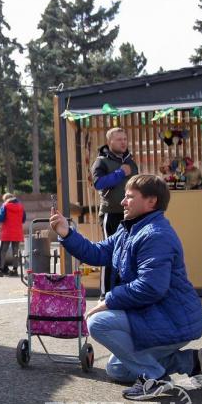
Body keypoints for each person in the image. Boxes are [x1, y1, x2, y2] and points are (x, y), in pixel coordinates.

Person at [49, 174, 202, 400]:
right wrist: (66, 233)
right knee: (118, 369)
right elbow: (97, 253)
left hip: (172, 320)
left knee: (98, 322)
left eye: (129, 197)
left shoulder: (156, 235)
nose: (123, 202)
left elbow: (150, 287)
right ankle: (189, 361)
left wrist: (109, 300)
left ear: (151, 201)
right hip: (153, 314)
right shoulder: (130, 230)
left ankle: (155, 378)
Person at [92, 127, 138, 296]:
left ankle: (125, 293)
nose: (123, 142)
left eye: (125, 139)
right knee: (110, 252)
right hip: (110, 213)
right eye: (119, 139)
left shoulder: (131, 162)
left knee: (130, 253)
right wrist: (120, 172)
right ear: (109, 142)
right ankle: (105, 294)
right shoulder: (101, 162)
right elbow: (98, 184)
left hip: (132, 214)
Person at [0, 192, 25, 277]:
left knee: (3, 251)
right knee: (15, 251)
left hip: (7, 232)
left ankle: (1, 269)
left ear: (6, 199)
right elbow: (23, 219)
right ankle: (15, 270)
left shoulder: (5, 206)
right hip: (17, 232)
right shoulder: (21, 206)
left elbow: (1, 218)